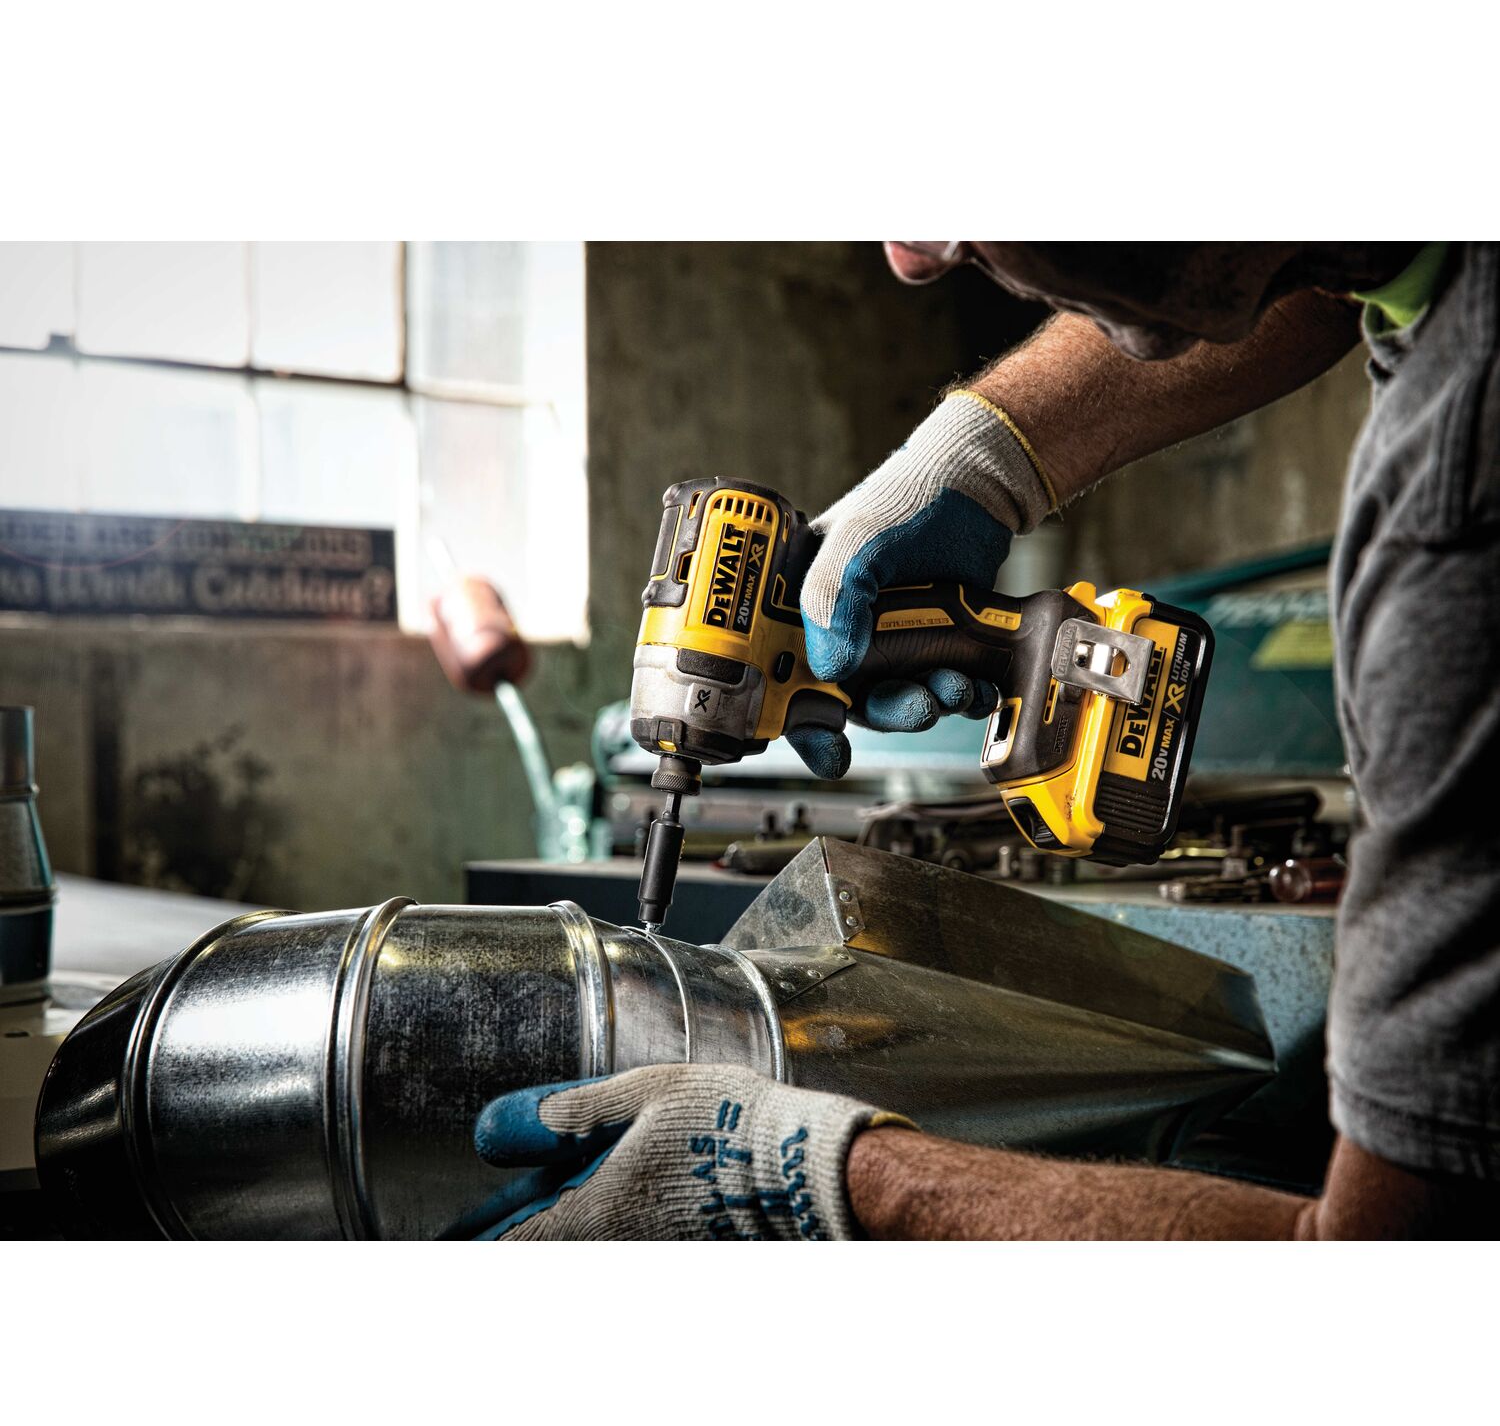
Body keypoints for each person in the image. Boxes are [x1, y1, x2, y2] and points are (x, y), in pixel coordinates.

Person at [468, 242, 1500, 1240]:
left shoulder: (1456, 546)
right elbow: (1306, 266)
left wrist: (805, 1172)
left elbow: (1395, 1252)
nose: (911, 260)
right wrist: (985, 453)